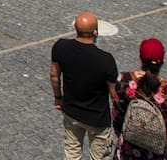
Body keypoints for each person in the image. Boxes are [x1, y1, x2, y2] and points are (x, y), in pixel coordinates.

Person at [111, 38, 167, 158]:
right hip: (158, 153)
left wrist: (125, 132)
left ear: (141, 58)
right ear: (162, 62)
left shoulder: (124, 80)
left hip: (128, 149)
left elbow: (117, 113)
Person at [50, 12, 118, 160]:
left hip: (71, 112)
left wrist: (58, 98)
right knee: (99, 156)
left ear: (75, 27)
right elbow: (114, 94)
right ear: (95, 32)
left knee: (71, 152)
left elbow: (54, 76)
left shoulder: (60, 47)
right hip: (98, 118)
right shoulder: (106, 60)